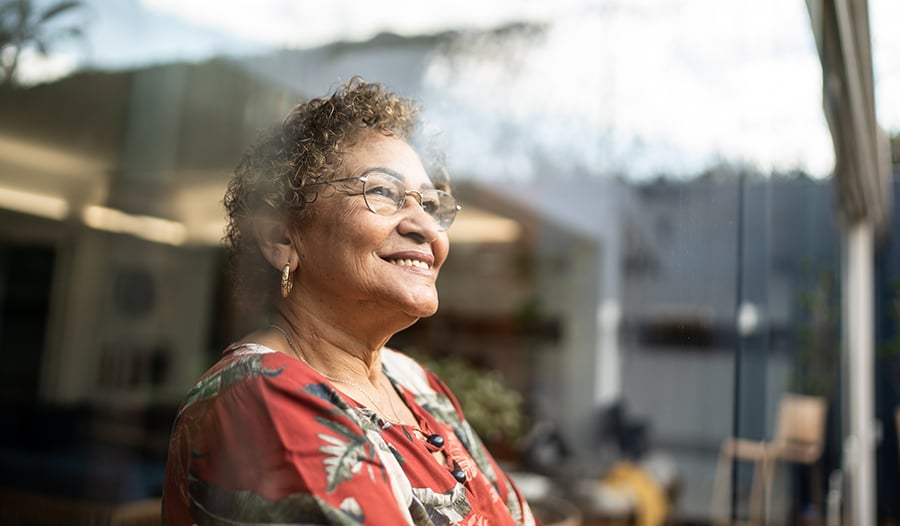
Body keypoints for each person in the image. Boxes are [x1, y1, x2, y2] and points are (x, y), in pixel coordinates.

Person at [162, 78, 539, 526]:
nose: (426, 227)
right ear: (282, 237)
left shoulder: (415, 383)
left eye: (431, 204)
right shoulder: (260, 393)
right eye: (383, 192)